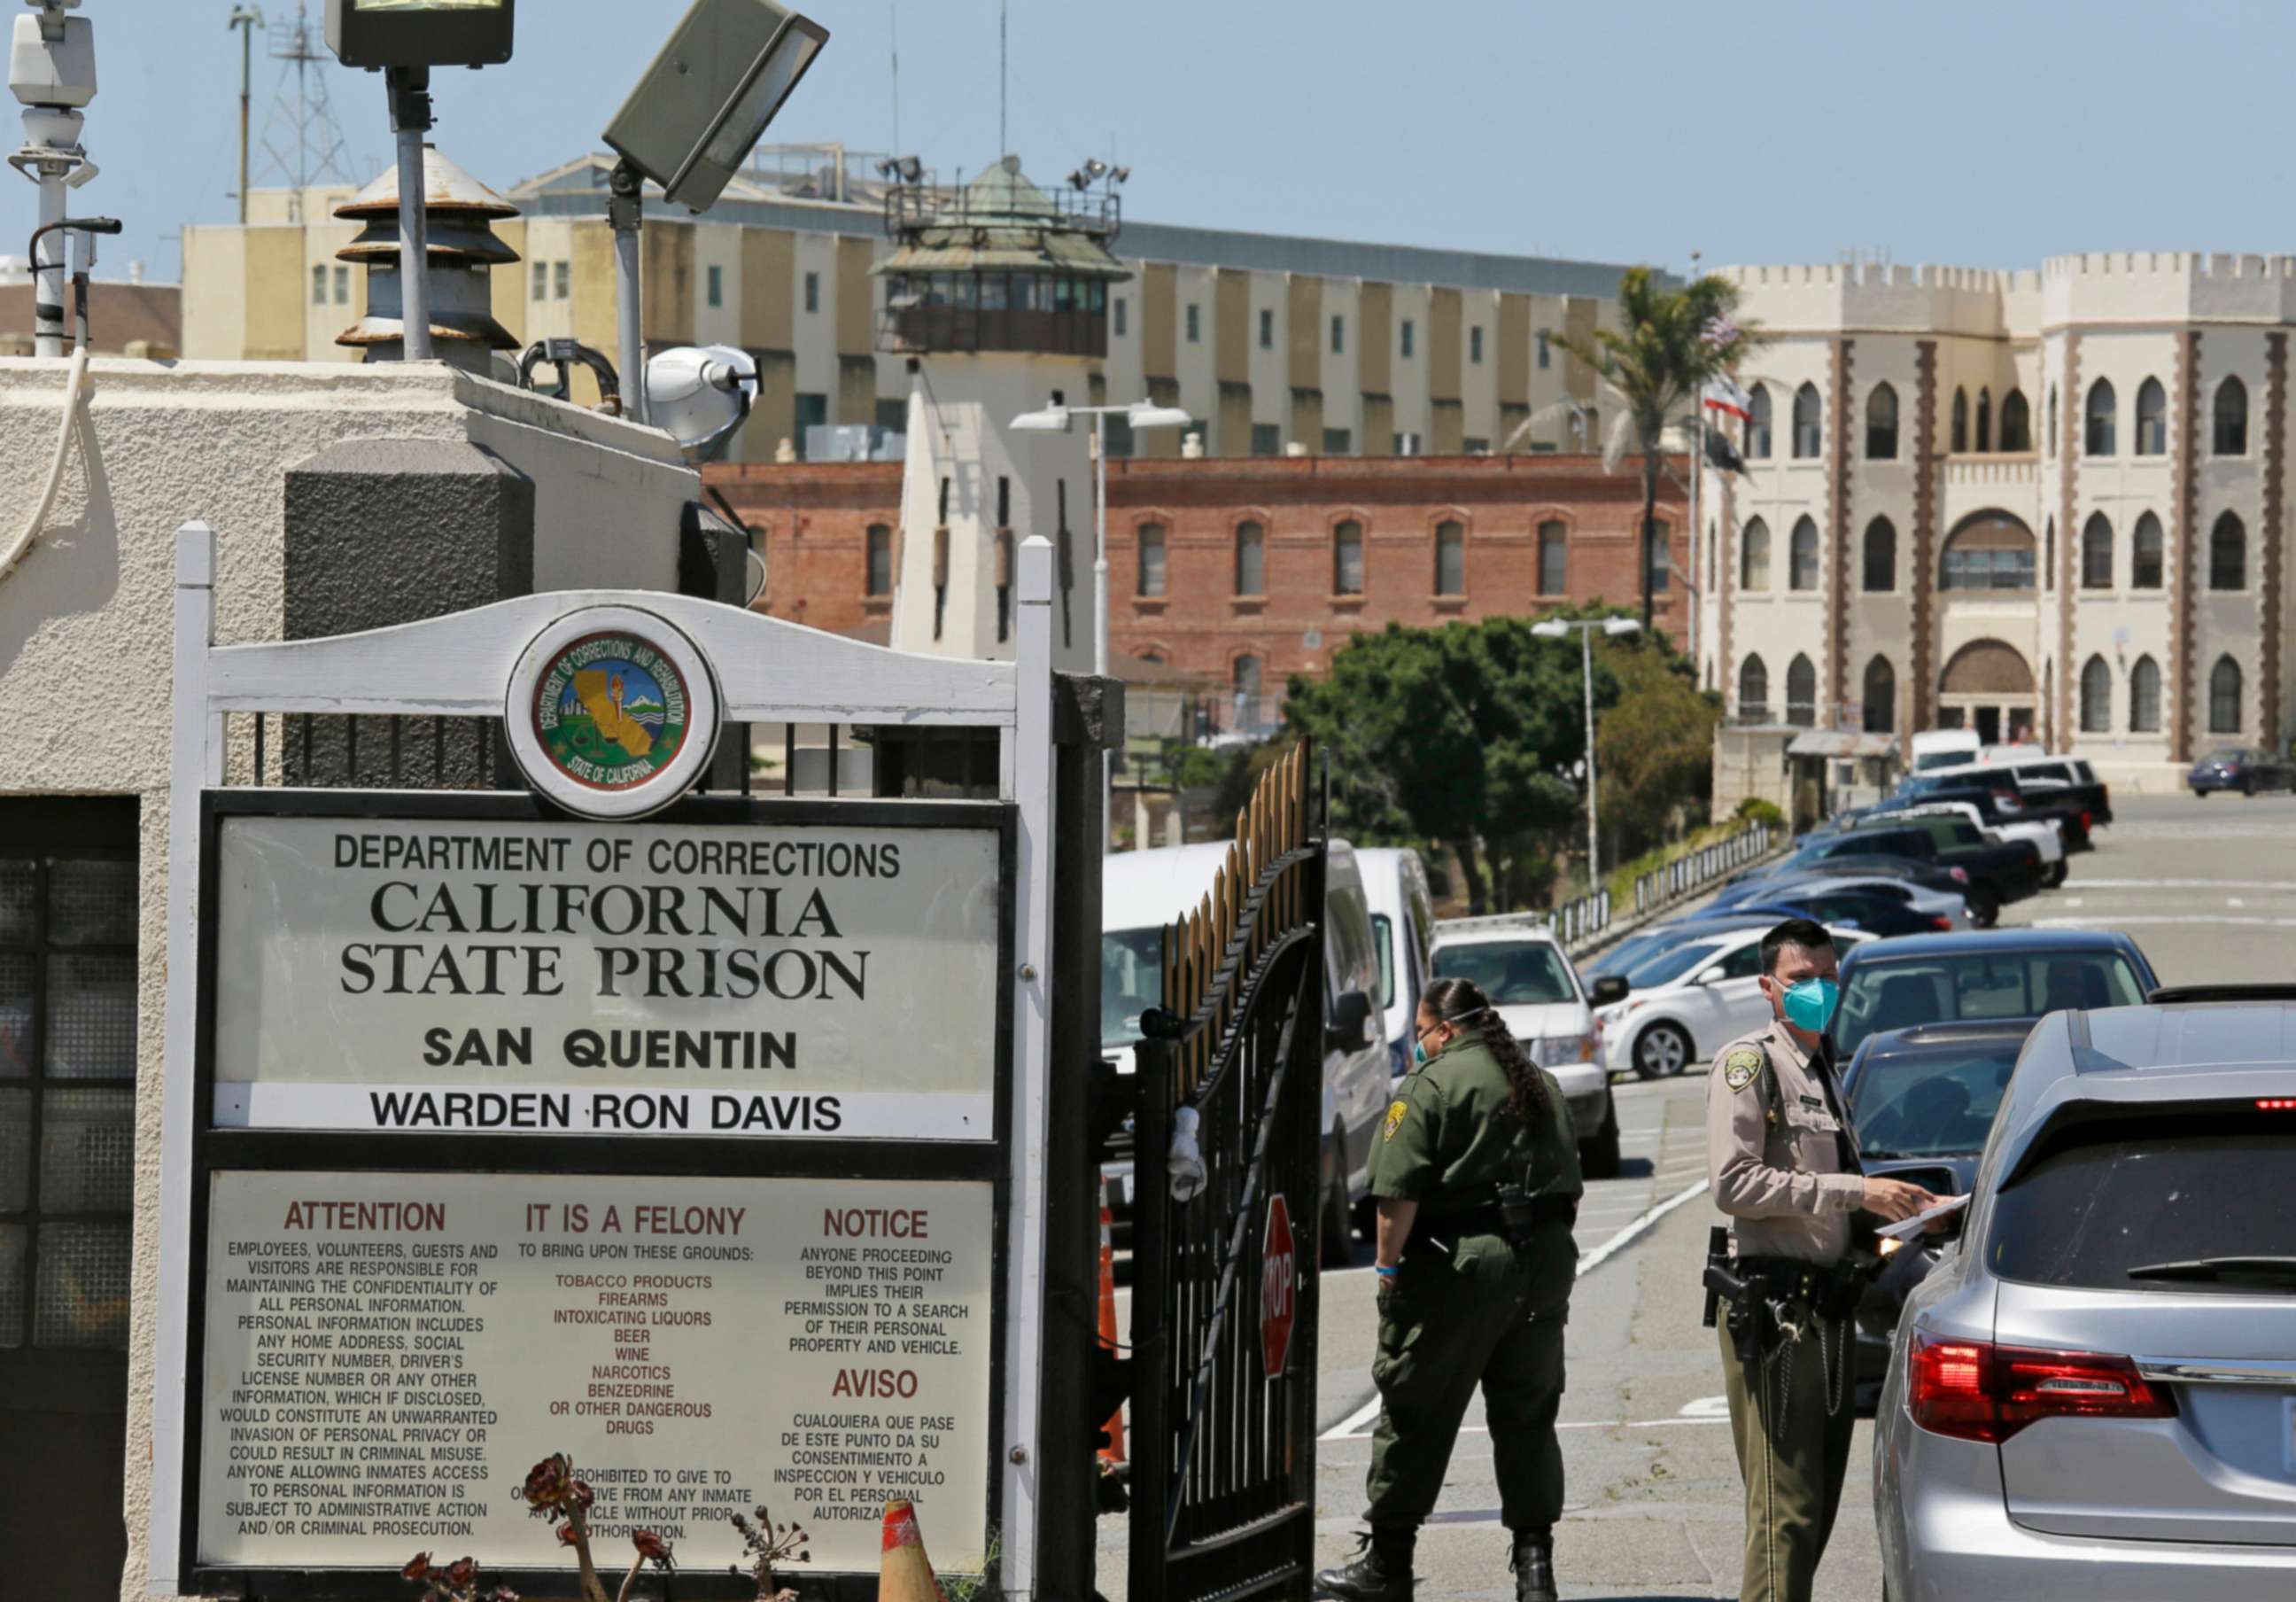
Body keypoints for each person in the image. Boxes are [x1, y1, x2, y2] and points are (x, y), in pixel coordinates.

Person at [1314, 976, 1582, 1602]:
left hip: (1461, 1267)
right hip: (1543, 1262)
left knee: (1414, 1410)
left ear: (1444, 1028)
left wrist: (1386, 1273)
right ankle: (1535, 1573)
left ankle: (1388, 1566)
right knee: (1528, 1414)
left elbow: (1395, 1197)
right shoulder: (1539, 1082)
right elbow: (1570, 1186)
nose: (1422, 1042)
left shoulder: (1428, 1086)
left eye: (1424, 1030)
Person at [1705, 917, 1938, 1602]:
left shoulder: (1822, 1066)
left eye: (1828, 978)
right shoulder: (1750, 1063)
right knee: (1785, 1514)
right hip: (1776, 1311)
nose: (1817, 991)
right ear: (1768, 987)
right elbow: (1732, 1183)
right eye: (1801, 980)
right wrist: (1854, 1190)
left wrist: (1895, 1213)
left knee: (1817, 1510)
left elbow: (1828, 1190)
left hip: (1827, 1308)